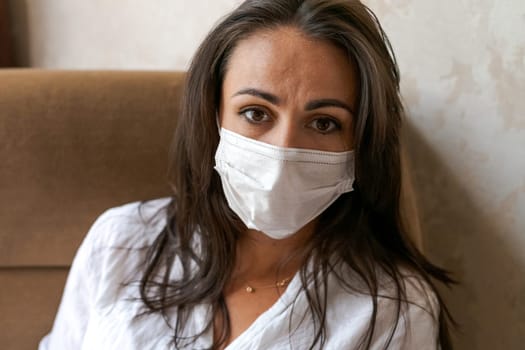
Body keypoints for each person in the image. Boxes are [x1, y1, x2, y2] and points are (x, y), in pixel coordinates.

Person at [39, 0, 456, 349]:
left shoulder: (391, 311)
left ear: (360, 145)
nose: (283, 150)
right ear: (213, 116)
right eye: (256, 113)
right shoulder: (119, 242)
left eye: (324, 122)